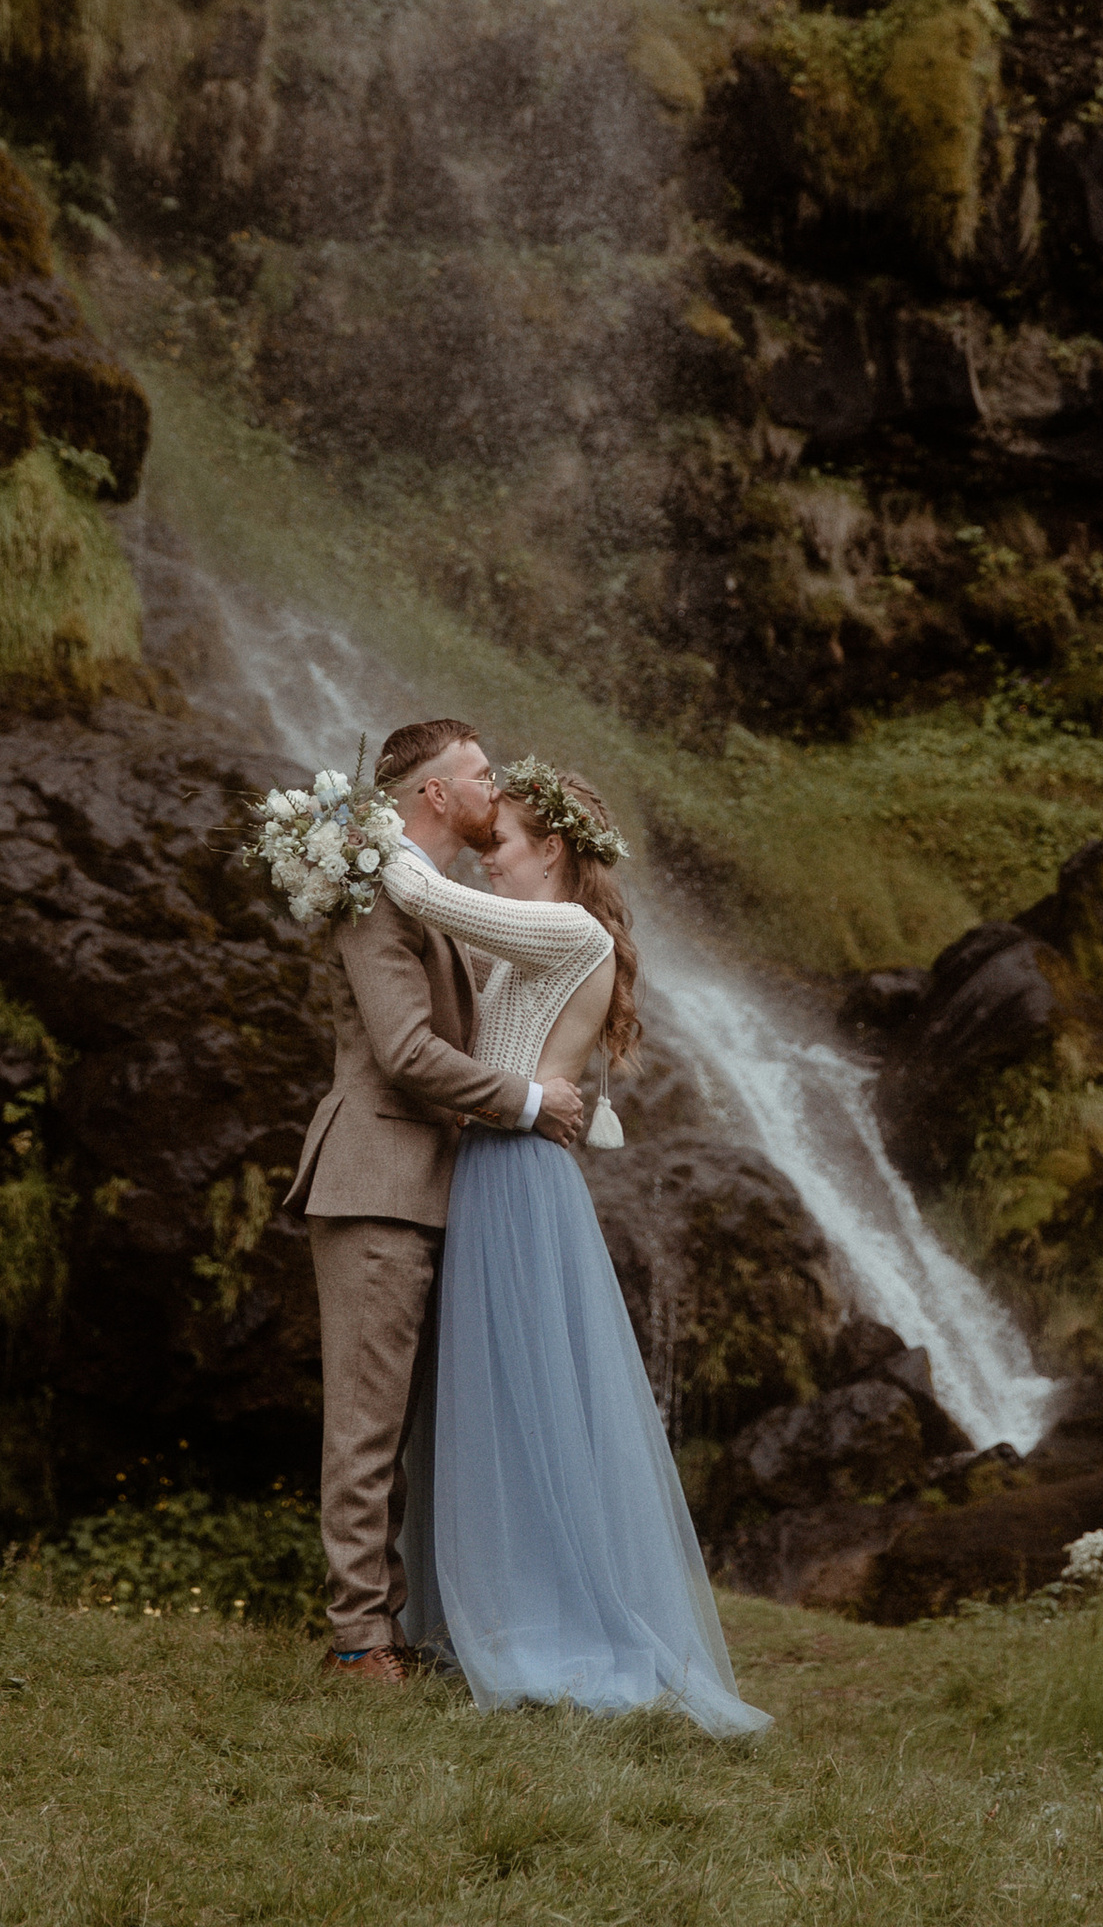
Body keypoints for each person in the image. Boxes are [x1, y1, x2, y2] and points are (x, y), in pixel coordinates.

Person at [386, 760, 768, 1738]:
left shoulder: (566, 929)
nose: (488, 867)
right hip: (498, 1167)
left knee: (527, 1400)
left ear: (550, 848)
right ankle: (509, 1604)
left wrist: (352, 830)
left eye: (500, 846)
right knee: (498, 1398)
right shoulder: (545, 940)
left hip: (516, 1180)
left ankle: (548, 1622)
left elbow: (421, 892)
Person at [282, 718, 584, 1687]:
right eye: (480, 774)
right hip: (375, 1179)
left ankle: (390, 1626)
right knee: (365, 1425)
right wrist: (532, 1104)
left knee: (402, 1428)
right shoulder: (377, 891)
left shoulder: (439, 900)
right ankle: (358, 1642)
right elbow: (406, 1054)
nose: (497, 787)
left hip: (423, 1186)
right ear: (434, 797)